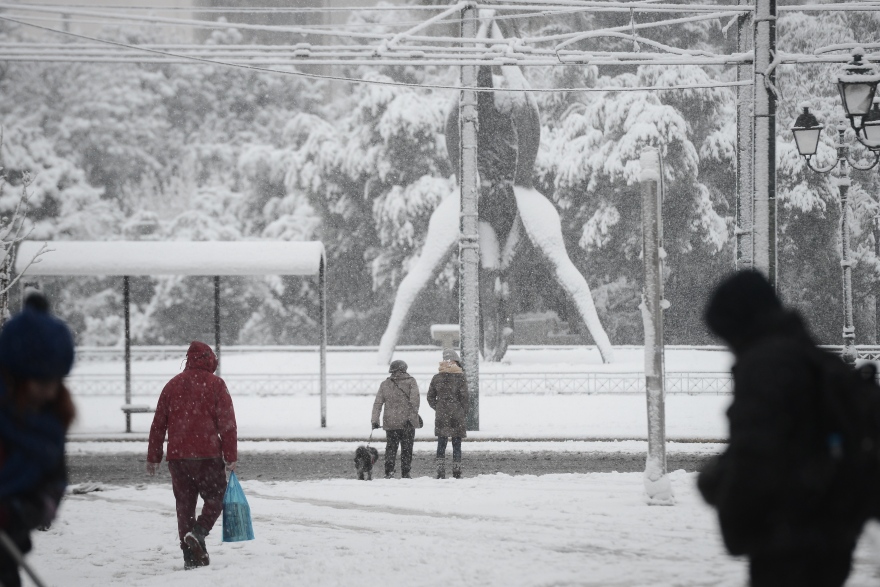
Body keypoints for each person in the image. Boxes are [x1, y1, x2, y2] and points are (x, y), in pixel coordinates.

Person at [698, 270, 869, 587]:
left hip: (787, 542)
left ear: (740, 324)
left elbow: (755, 457)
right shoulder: (813, 357)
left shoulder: (766, 366)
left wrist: (720, 489)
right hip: (831, 538)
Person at [0, 292, 75, 587]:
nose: (52, 392)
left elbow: (53, 485)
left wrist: (18, 513)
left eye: (58, 382)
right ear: (15, 377)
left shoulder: (49, 424)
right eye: (43, 382)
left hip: (8, 557)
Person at [147, 341, 237, 570]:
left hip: (178, 458)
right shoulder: (216, 384)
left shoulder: (172, 386)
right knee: (216, 498)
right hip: (207, 455)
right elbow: (227, 424)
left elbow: (158, 424)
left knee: (184, 506)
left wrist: (154, 456)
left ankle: (191, 558)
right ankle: (199, 533)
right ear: (208, 359)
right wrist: (230, 454)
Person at [372, 360, 420, 479]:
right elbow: (415, 402)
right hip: (407, 423)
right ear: (404, 369)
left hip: (391, 422)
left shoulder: (385, 384)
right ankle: (406, 472)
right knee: (407, 449)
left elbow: (378, 403)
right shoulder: (411, 382)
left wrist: (375, 420)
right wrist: (411, 417)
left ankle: (389, 472)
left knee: (391, 448)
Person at [427, 349, 469, 479]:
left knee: (441, 443)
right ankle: (457, 471)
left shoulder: (437, 377)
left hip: (442, 415)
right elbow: (465, 398)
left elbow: (430, 397)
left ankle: (440, 472)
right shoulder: (460, 377)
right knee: (457, 444)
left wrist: (439, 407)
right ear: (456, 361)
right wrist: (462, 411)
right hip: (457, 414)